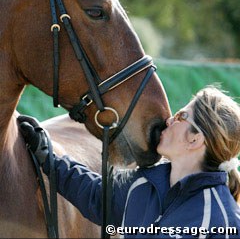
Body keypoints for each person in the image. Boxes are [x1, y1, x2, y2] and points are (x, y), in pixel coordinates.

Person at [18, 86, 240, 238]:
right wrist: (47, 155)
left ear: (195, 139)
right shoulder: (143, 183)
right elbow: (94, 196)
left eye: (181, 116)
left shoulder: (223, 222)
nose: (169, 120)